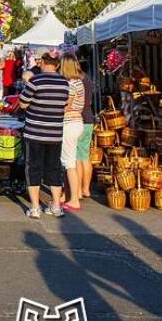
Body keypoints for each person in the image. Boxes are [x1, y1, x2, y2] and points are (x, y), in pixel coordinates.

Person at [17, 53, 69, 219]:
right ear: (57, 65)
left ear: (44, 63)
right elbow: (65, 105)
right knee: (54, 169)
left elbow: (23, 104)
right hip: (55, 133)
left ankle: (34, 207)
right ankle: (56, 205)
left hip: (35, 132)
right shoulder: (64, 83)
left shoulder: (35, 81)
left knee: (33, 168)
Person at [59, 55, 87, 212]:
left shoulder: (70, 84)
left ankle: (74, 199)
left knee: (68, 162)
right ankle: (68, 195)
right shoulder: (79, 83)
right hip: (78, 121)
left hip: (69, 123)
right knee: (71, 160)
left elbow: (66, 106)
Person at [77, 62, 97, 202]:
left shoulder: (75, 81)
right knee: (85, 155)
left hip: (78, 118)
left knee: (77, 156)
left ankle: (77, 190)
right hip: (88, 117)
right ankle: (86, 189)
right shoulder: (87, 78)